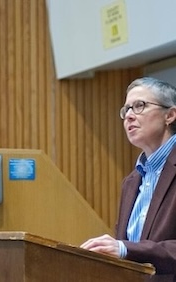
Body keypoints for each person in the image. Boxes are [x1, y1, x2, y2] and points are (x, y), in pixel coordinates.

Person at [80, 77, 176, 281]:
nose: (129, 116)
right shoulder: (131, 182)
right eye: (126, 110)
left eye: (139, 106)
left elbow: (128, 248)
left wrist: (125, 248)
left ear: (170, 115)